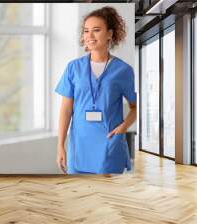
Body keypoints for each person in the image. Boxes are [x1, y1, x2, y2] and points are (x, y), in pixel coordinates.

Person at [55, 6, 137, 175]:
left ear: (110, 34)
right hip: (79, 145)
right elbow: (66, 109)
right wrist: (60, 145)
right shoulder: (73, 68)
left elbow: (135, 108)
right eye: (86, 31)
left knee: (106, 197)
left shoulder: (123, 70)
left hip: (109, 144)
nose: (89, 36)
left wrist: (122, 128)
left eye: (96, 30)